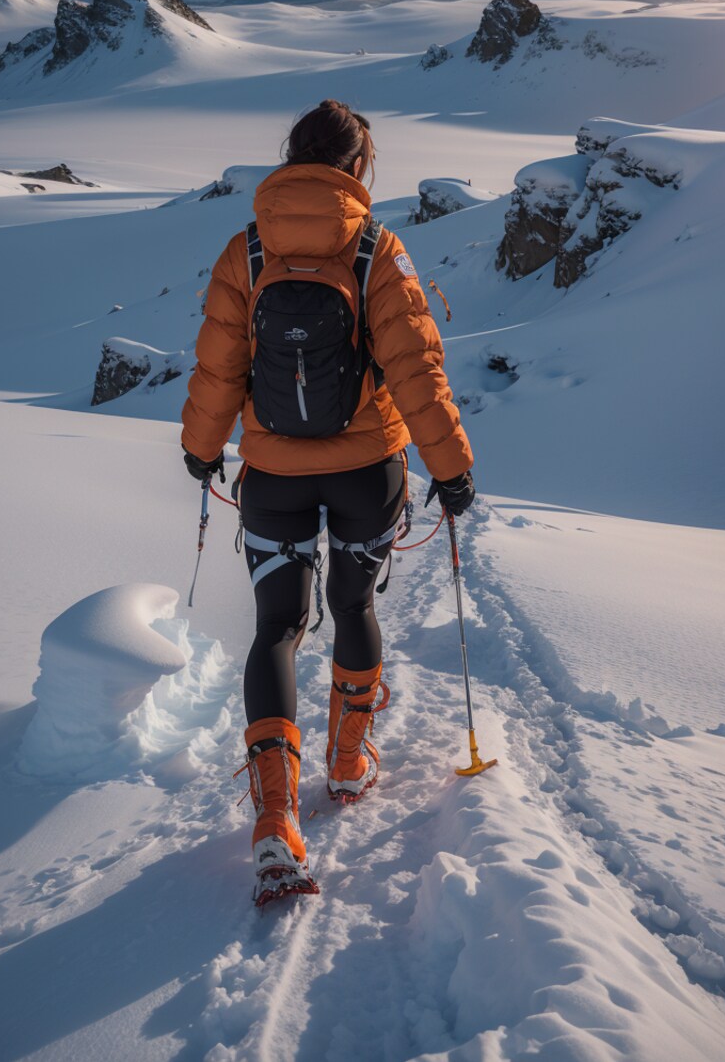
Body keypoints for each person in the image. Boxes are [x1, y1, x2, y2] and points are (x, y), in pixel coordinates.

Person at [181, 99, 474, 905]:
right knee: (353, 604)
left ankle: (276, 815)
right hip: (365, 469)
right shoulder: (378, 247)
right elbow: (415, 368)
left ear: (293, 155)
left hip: (273, 471)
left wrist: (203, 447)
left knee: (276, 627)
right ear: (358, 164)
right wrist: (450, 468)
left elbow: (219, 364)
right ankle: (347, 763)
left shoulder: (246, 247)